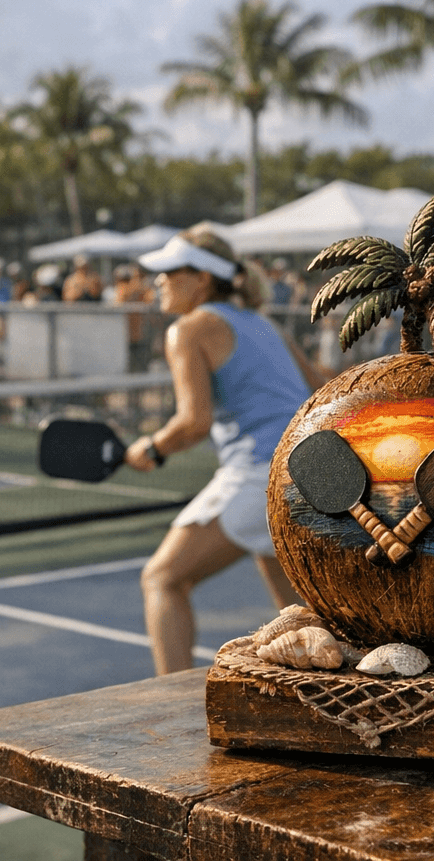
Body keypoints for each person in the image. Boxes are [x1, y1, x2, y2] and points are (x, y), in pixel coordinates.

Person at [125, 225, 335, 676]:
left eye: (169, 271)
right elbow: (322, 388)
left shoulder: (188, 330)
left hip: (262, 475)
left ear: (201, 278)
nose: (159, 280)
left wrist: (152, 448)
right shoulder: (265, 324)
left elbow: (193, 422)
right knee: (299, 620)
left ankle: (170, 700)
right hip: (313, 477)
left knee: (163, 578)